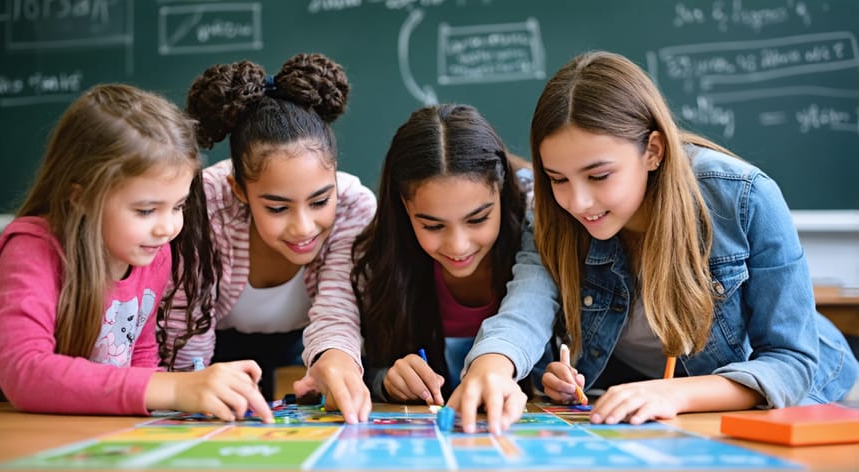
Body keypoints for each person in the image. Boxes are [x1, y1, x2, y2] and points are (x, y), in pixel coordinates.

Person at [451, 50, 858, 433]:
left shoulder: (745, 197)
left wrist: (673, 394)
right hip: (661, 412)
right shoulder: (551, 215)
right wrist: (493, 364)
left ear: (653, 150)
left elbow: (791, 363)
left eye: (598, 176)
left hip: (807, 401)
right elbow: (526, 307)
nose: (577, 201)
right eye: (558, 179)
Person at [0, 84, 273, 423]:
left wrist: (169, 403)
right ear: (80, 197)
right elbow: (25, 372)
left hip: (75, 425)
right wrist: (172, 388)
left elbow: (140, 355)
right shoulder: (32, 249)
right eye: (146, 210)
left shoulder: (153, 252)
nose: (167, 228)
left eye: (178, 206)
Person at [164, 53, 376, 423]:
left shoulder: (353, 206)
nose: (304, 227)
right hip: (211, 342)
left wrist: (338, 358)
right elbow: (186, 320)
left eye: (320, 200)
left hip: (302, 342)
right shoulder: (208, 201)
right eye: (278, 208)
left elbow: (339, 304)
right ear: (240, 191)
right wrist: (187, 387)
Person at [352, 104, 529, 406]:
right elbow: (364, 367)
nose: (458, 246)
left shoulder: (535, 236)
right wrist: (387, 381)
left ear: (502, 193)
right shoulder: (380, 262)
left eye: (477, 219)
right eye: (432, 225)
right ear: (404, 209)